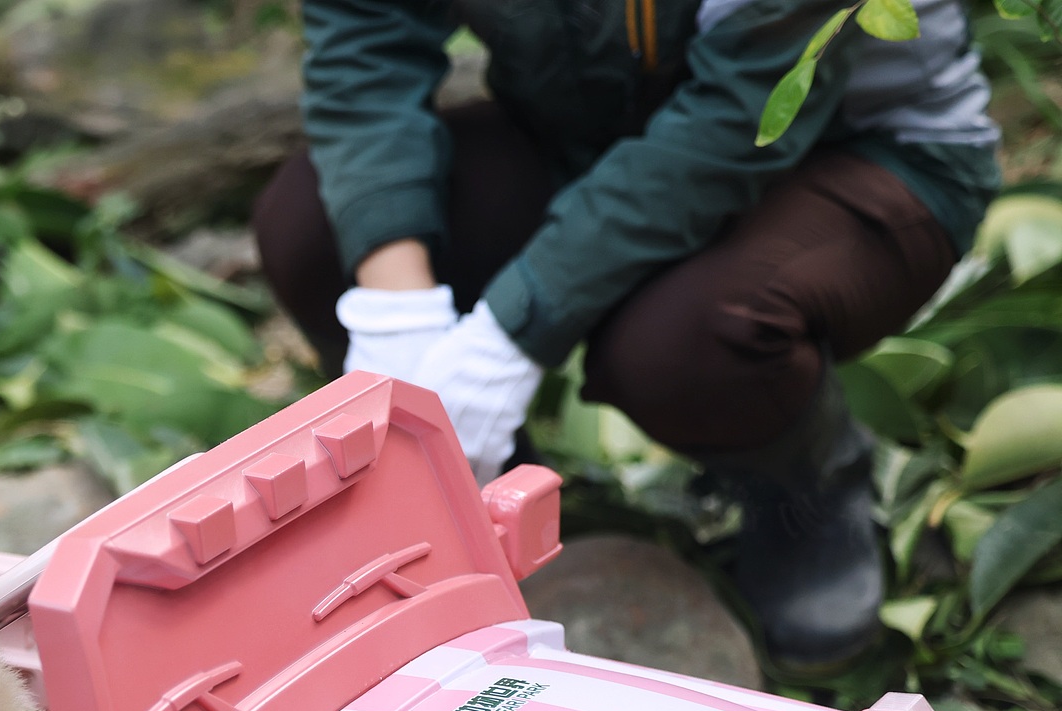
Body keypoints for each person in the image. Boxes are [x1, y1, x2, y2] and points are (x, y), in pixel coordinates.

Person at [251, 0, 999, 673]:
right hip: (592, 136)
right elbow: (367, 34)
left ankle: (805, 487)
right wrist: (397, 312)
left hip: (846, 152)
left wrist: (502, 344)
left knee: (684, 345)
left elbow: (741, 111)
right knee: (314, 226)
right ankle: (489, 511)